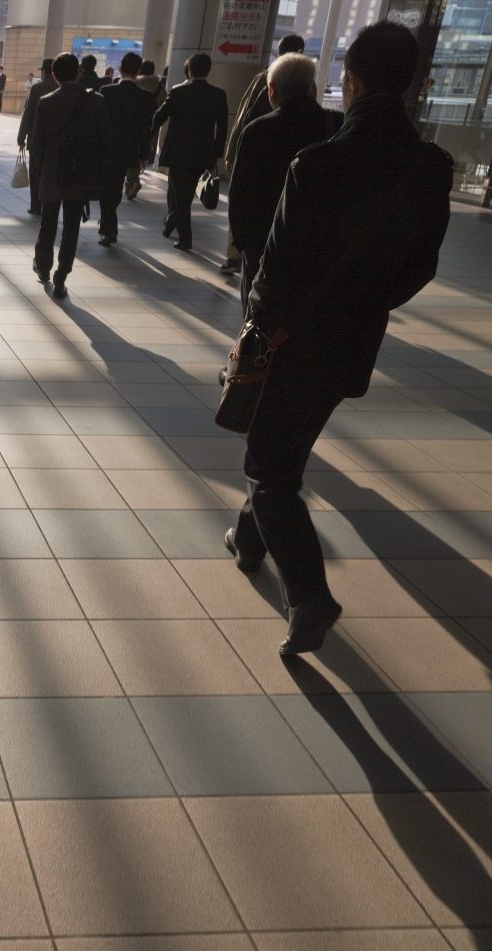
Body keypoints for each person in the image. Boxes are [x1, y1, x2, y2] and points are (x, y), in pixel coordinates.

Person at [227, 21, 451, 655]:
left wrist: (257, 333)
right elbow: (421, 266)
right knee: (287, 441)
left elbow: (274, 268)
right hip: (355, 340)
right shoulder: (432, 167)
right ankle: (248, 538)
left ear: (350, 81)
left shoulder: (318, 163)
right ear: (411, 84)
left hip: (295, 338)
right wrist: (369, 301)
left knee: (269, 468)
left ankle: (310, 597)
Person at [227, 53, 340, 312]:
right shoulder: (332, 126)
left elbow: (241, 191)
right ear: (310, 88)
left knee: (256, 314)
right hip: (316, 243)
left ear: (272, 89)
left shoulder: (259, 129)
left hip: (263, 241)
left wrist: (243, 242)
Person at [221, 33, 306, 272]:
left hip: (257, 149)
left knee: (245, 198)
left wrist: (231, 151)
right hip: (291, 156)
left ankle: (235, 254)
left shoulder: (263, 78)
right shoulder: (307, 82)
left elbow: (243, 116)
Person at [29, 52, 109, 299]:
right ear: (78, 73)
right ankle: (62, 275)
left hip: (52, 173)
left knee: (48, 223)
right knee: (72, 226)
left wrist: (40, 172)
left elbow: (37, 145)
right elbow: (105, 141)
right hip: (79, 174)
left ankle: (43, 267)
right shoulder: (96, 102)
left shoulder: (46, 102)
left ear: (53, 75)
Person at [152, 52, 227, 251]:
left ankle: (185, 239)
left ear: (190, 70)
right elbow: (223, 127)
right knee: (186, 194)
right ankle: (170, 225)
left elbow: (159, 117)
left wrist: (152, 136)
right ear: (208, 70)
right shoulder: (218, 94)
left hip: (178, 152)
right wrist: (217, 152)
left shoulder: (178, 92)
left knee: (181, 195)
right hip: (203, 153)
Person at [96, 51, 154, 246]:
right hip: (128, 151)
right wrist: (144, 155)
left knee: (107, 190)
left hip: (105, 149)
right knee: (115, 189)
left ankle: (108, 228)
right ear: (138, 71)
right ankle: (108, 225)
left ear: (120, 69)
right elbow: (146, 129)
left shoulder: (106, 91)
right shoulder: (145, 98)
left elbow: (99, 123)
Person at [17, 59, 56, 213]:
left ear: (44, 72)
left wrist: (21, 137)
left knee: (35, 174)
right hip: (57, 142)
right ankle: (49, 204)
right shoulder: (61, 88)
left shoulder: (37, 88)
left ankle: (36, 206)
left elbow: (28, 113)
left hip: (36, 139)